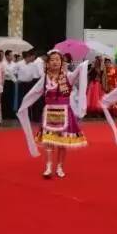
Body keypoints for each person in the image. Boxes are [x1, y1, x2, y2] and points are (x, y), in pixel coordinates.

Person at [17, 50, 88, 179]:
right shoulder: (45, 78)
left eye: (57, 59)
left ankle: (60, 166)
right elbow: (34, 92)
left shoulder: (68, 76)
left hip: (64, 113)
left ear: (62, 63)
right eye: (52, 60)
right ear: (48, 63)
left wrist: (83, 64)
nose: (55, 62)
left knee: (62, 142)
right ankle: (49, 166)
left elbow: (79, 72)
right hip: (49, 113)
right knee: (49, 141)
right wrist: (24, 104)